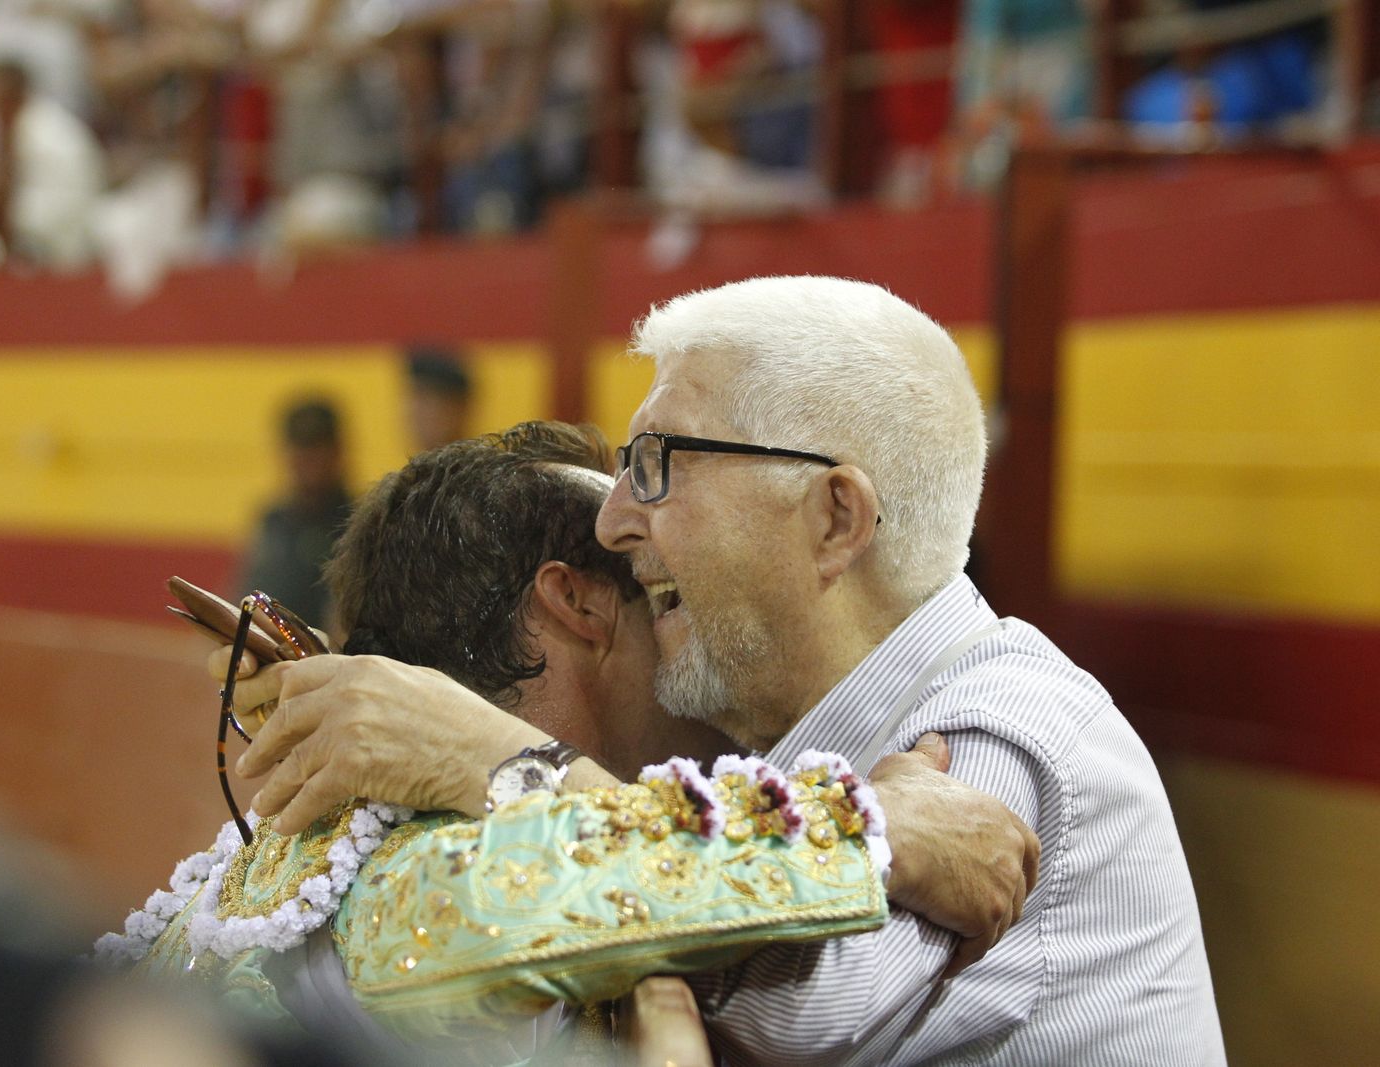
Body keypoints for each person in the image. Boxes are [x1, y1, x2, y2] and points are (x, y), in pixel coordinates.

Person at [223, 277, 1226, 1063]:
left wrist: (502, 761)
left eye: (659, 461)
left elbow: (811, 1002)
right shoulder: (793, 743)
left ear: (834, 517)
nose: (619, 516)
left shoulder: (1005, 717)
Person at [113, 421, 1038, 1057]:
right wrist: (884, 827)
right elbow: (558, 883)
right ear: (583, 604)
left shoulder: (336, 832)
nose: (690, 646)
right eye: (660, 597)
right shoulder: (418, 850)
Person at [238, 397, 352, 634]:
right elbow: (245, 591)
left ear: (338, 450)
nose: (307, 460)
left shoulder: (357, 522)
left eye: (316, 447)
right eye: (300, 447)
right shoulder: (273, 520)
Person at [404, 346, 472, 452]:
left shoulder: (488, 466)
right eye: (413, 397)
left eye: (426, 398)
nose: (415, 411)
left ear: (459, 407)